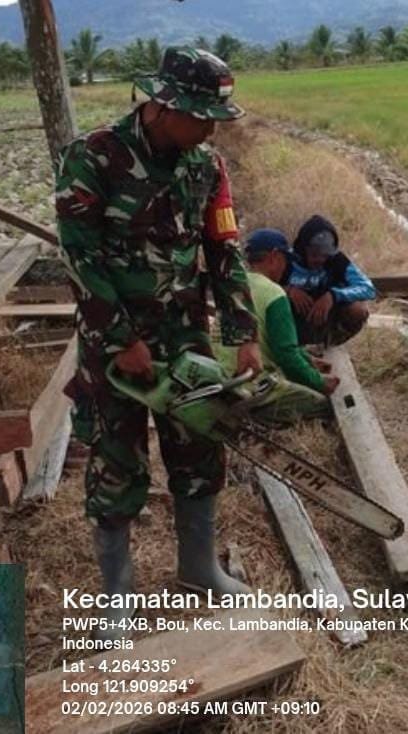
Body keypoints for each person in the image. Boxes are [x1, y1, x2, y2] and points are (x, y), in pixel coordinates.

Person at [54, 47, 261, 637]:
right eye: (201, 116)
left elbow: (224, 249)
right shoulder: (93, 157)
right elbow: (80, 257)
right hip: (114, 344)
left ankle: (199, 569)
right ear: (163, 106)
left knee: (199, 449)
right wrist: (120, 338)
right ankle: (118, 598)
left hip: (185, 335)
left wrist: (243, 333)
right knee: (117, 461)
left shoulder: (207, 166)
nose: (210, 128)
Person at [212, 228, 339, 425]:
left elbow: (272, 341)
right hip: (251, 385)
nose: (285, 267)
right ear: (274, 257)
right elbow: (285, 355)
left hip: (220, 378)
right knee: (324, 405)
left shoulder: (233, 286)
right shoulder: (274, 294)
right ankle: (256, 418)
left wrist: (308, 360)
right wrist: (319, 382)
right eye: (285, 260)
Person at [284, 214, 376, 347]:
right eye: (314, 254)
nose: (320, 260)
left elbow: (368, 288)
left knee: (358, 310)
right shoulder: (287, 260)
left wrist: (333, 295)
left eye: (325, 255)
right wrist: (288, 290)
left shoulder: (337, 261)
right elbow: (260, 284)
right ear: (303, 249)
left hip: (324, 321)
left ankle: (326, 344)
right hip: (290, 320)